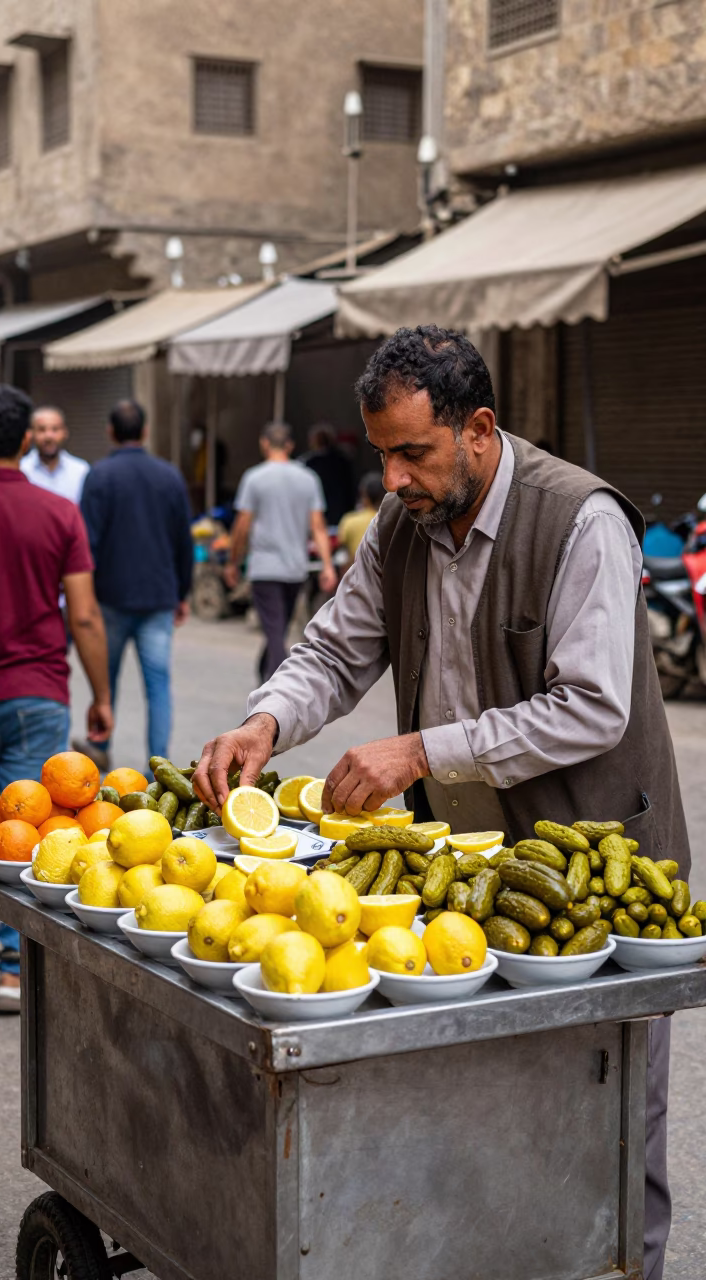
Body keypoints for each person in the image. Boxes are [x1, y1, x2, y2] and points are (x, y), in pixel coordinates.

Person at [194, 326, 687, 1280]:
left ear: (478, 430)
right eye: (380, 454)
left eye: (412, 452)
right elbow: (338, 649)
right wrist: (264, 724)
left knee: (608, 1118)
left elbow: (589, 707)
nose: (393, 477)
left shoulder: (581, 519)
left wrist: (417, 748)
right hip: (463, 877)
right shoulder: (402, 525)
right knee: (483, 1107)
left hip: (595, 879)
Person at [0, 385, 112, 1014]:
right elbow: (85, 617)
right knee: (22, 831)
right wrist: (102, 695)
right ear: (25, 441)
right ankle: (13, 972)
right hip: (34, 690)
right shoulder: (59, 513)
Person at [77, 400, 192, 772]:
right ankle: (158, 766)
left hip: (109, 598)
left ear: (110, 431)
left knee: (103, 680)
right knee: (157, 685)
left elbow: (87, 543)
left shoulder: (99, 476)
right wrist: (183, 592)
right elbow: (183, 541)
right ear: (144, 431)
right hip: (159, 597)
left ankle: (100, 746)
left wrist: (85, 595)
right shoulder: (169, 476)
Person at [225, 422, 337, 682]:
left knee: (275, 631)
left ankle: (279, 689)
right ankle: (263, 674)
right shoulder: (308, 479)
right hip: (295, 569)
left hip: (265, 569)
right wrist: (327, 565)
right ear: (290, 446)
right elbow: (318, 527)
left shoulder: (254, 478)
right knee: (277, 628)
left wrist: (233, 562)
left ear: (264, 443)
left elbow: (241, 526)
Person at [21, 404, 90, 503]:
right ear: (31, 434)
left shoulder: (81, 471)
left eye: (55, 429)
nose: (49, 436)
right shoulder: (22, 470)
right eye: (42, 430)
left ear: (65, 433)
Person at [301, 422, 356, 525]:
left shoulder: (308, 463)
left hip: (317, 515)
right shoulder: (343, 461)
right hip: (340, 514)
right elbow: (351, 489)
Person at [337, 470, 385, 566]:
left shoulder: (350, 520)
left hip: (359, 575)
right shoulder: (394, 519)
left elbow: (341, 546)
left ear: (364, 496)